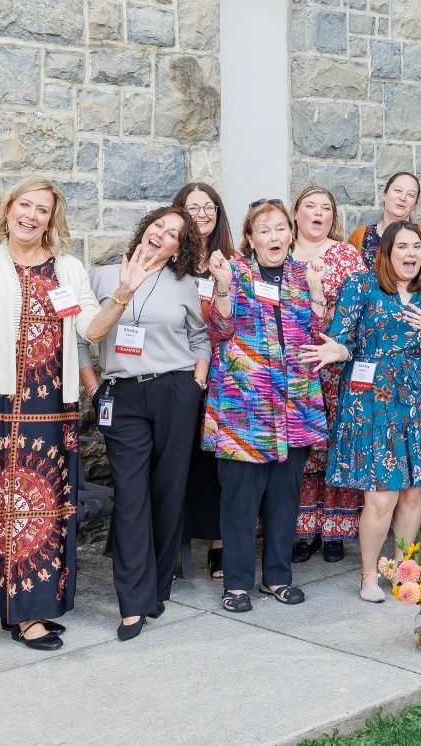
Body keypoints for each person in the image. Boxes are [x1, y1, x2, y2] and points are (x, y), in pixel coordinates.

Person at [0, 178, 156, 650]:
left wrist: (123, 294)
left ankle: (33, 609)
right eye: (24, 205)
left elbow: (92, 329)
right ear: (7, 211)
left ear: (53, 219)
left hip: (51, 405)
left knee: (45, 509)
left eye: (42, 209)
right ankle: (12, 611)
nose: (31, 215)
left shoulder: (68, 268)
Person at [300, 223, 421, 602]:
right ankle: (369, 576)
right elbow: (343, 336)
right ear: (386, 252)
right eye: (402, 246)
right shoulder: (362, 285)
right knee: (380, 497)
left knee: (414, 496)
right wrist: (336, 350)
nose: (411, 253)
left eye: (417, 247)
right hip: (374, 404)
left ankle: (404, 572)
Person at [78, 207, 210, 640]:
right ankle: (132, 604)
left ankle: (156, 588)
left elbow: (199, 337)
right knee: (131, 495)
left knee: (168, 491)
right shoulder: (99, 276)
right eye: (159, 226)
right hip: (123, 394)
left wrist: (198, 378)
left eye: (174, 234)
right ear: (145, 229)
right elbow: (81, 338)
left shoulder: (185, 283)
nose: (162, 235)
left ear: (178, 249)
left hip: (175, 390)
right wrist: (95, 387)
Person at [202, 200, 333, 613]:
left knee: (283, 498)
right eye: (265, 230)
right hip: (246, 408)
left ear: (290, 235)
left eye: (280, 229)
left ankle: (277, 577)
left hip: (294, 407)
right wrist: (222, 285)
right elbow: (219, 327)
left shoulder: (301, 276)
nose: (274, 236)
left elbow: (318, 335)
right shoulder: (235, 273)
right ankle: (237, 583)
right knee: (240, 501)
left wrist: (315, 291)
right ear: (251, 238)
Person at [288, 186, 367, 565]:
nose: (318, 213)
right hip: (290, 366)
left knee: (333, 443)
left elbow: (362, 307)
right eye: (310, 206)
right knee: (301, 448)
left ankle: (335, 530)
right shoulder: (280, 251)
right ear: (296, 213)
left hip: (334, 365)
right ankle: (301, 531)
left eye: (326, 208)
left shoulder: (346, 255)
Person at [172, 181, 235, 583]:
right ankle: (174, 546)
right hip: (177, 370)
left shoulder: (232, 262)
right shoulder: (168, 260)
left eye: (209, 206)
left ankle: (219, 544)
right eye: (193, 207)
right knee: (179, 460)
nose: (202, 214)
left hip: (223, 376)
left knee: (218, 463)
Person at [347, 171, 421, 279]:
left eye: (410, 195)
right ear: (384, 195)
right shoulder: (359, 236)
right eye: (398, 190)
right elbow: (348, 282)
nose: (403, 198)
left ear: (415, 205)